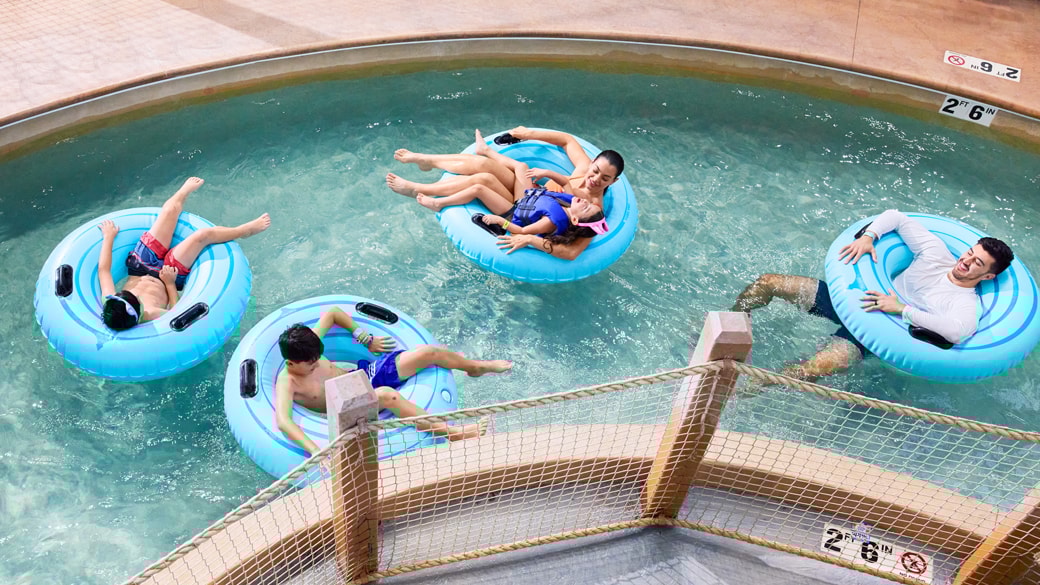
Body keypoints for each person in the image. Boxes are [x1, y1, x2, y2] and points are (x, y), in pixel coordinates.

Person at [732, 209, 1014, 382]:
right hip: (853, 299)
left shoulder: (964, 302)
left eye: (977, 263)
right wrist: (869, 237)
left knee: (806, 371)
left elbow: (958, 331)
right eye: (970, 253)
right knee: (768, 282)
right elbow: (896, 217)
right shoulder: (936, 253)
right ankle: (732, 326)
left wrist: (901, 308)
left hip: (874, 335)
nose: (966, 261)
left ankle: (752, 386)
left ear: (988, 276)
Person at [275, 306, 512, 456]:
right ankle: (453, 434)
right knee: (387, 394)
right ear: (291, 363)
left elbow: (333, 313)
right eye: (311, 364)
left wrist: (365, 338)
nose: (317, 364)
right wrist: (316, 451)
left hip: (362, 376)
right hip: (345, 405)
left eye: (319, 358)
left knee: (428, 352)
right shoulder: (289, 382)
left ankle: (476, 367)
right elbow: (284, 422)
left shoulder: (308, 346)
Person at [386, 128, 624, 259]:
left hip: (522, 210)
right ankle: (427, 161)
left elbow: (571, 252)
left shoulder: (593, 211)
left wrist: (530, 238)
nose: (594, 180)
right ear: (592, 163)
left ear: (614, 181)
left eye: (605, 179)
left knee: (483, 179)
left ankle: (418, 189)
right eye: (595, 171)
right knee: (485, 167)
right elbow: (567, 140)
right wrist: (527, 133)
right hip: (532, 195)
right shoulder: (582, 172)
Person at [98, 177, 271, 330]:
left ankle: (183, 192)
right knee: (202, 235)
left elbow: (104, 270)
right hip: (167, 275)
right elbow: (177, 312)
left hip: (140, 264)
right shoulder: (151, 315)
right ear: (140, 310)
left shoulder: (110, 303)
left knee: (168, 212)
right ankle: (243, 231)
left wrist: (109, 237)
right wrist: (170, 284)